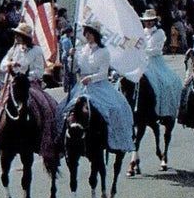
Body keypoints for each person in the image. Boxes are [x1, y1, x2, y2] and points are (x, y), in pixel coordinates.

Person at [0, 22, 60, 161]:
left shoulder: (36, 50)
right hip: (12, 84)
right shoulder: (14, 49)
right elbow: (2, 64)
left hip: (29, 84)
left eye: (19, 35)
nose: (17, 37)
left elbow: (39, 71)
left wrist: (25, 76)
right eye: (17, 35)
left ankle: (48, 141)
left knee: (47, 107)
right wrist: (10, 65)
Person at [56, 21, 135, 154]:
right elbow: (74, 69)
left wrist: (91, 78)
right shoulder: (81, 50)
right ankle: (61, 141)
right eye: (86, 32)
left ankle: (114, 140)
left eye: (90, 33)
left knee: (116, 108)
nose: (87, 35)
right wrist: (71, 57)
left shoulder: (103, 52)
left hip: (99, 85)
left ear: (96, 35)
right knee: (62, 109)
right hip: (81, 86)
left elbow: (103, 73)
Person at [139, 9, 184, 118]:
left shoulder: (159, 33)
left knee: (164, 82)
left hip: (154, 61)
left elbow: (157, 50)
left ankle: (164, 108)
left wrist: (142, 51)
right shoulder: (140, 32)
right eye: (146, 21)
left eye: (150, 21)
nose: (148, 23)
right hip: (141, 61)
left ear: (154, 21)